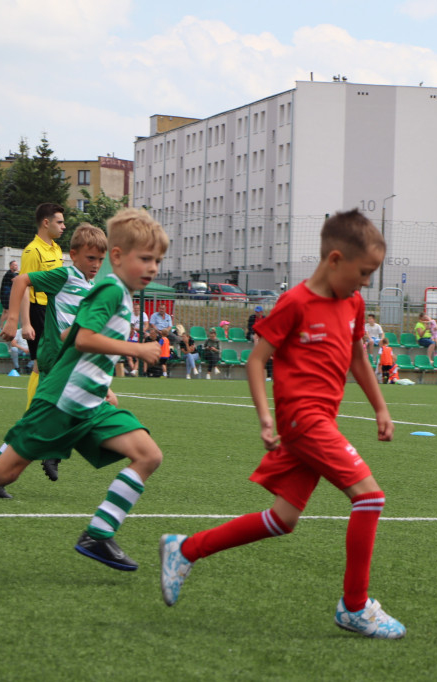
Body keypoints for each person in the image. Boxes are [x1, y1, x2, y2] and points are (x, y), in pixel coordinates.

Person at [158, 208, 406, 639]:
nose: (367, 281)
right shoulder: (295, 303)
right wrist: (265, 417)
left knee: (283, 519)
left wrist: (380, 407)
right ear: (334, 260)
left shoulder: (353, 302)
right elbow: (256, 361)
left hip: (319, 420)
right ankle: (354, 606)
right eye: (364, 272)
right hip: (302, 420)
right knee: (370, 498)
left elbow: (357, 357)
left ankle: (186, 548)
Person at [0, 207, 167, 582]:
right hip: (60, 402)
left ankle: (98, 535)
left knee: (148, 455)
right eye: (145, 258)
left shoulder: (114, 291)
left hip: (89, 403)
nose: (153, 267)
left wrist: (103, 385)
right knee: (4, 473)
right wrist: (138, 350)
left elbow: (75, 341)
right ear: (119, 257)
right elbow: (83, 338)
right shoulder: (108, 290)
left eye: (157, 259)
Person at [3, 224, 108, 481]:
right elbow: (21, 280)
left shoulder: (90, 286)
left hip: (71, 357)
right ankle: (54, 451)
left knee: (36, 421)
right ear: (74, 255)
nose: (96, 264)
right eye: (90, 258)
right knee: (96, 404)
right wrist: (13, 319)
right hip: (57, 356)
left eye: (100, 260)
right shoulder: (63, 276)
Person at [21, 203, 67, 406]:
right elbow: (23, 286)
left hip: (54, 311)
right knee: (42, 363)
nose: (63, 226)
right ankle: (32, 413)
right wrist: (26, 323)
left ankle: (45, 409)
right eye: (60, 222)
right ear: (46, 223)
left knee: (53, 362)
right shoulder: (32, 251)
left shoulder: (56, 249)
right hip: (38, 310)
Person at [0, 260, 18, 326]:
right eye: (14, 265)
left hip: (6, 295)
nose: (16, 266)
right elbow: (16, 279)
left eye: (17, 265)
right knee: (7, 311)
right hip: (6, 295)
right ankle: (3, 326)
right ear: (10, 266)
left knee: (5, 311)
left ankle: (2, 326)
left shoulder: (12, 273)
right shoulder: (10, 274)